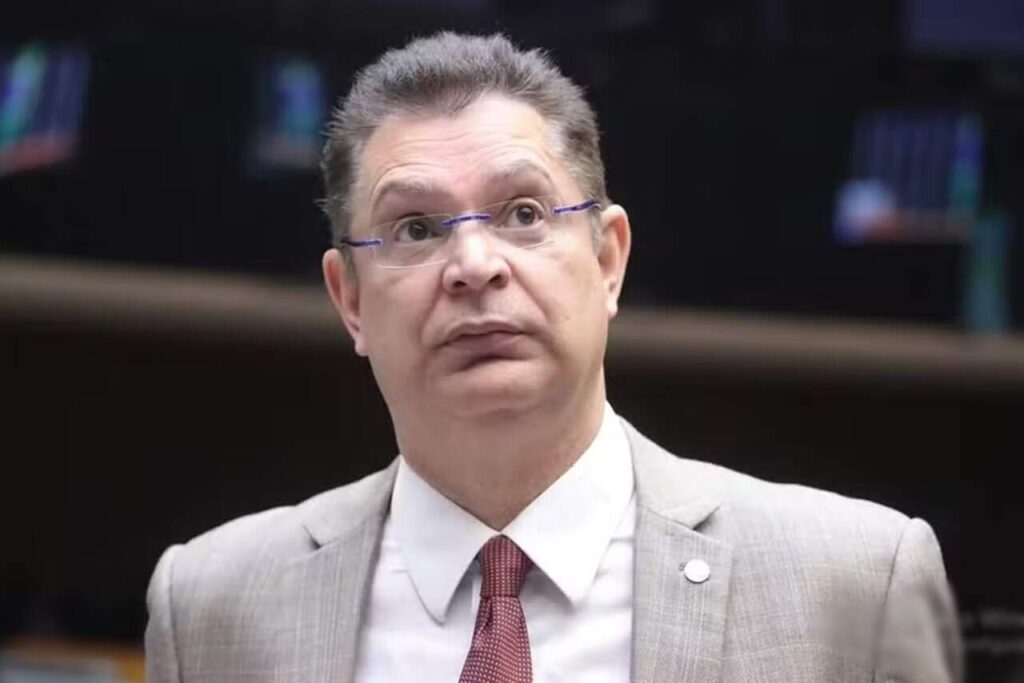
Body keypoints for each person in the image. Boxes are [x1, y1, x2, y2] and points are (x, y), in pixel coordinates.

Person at [144, 32, 961, 682]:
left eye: (524, 211)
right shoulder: (213, 604)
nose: (473, 265)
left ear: (609, 259)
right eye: (416, 229)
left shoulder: (858, 584)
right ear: (350, 298)